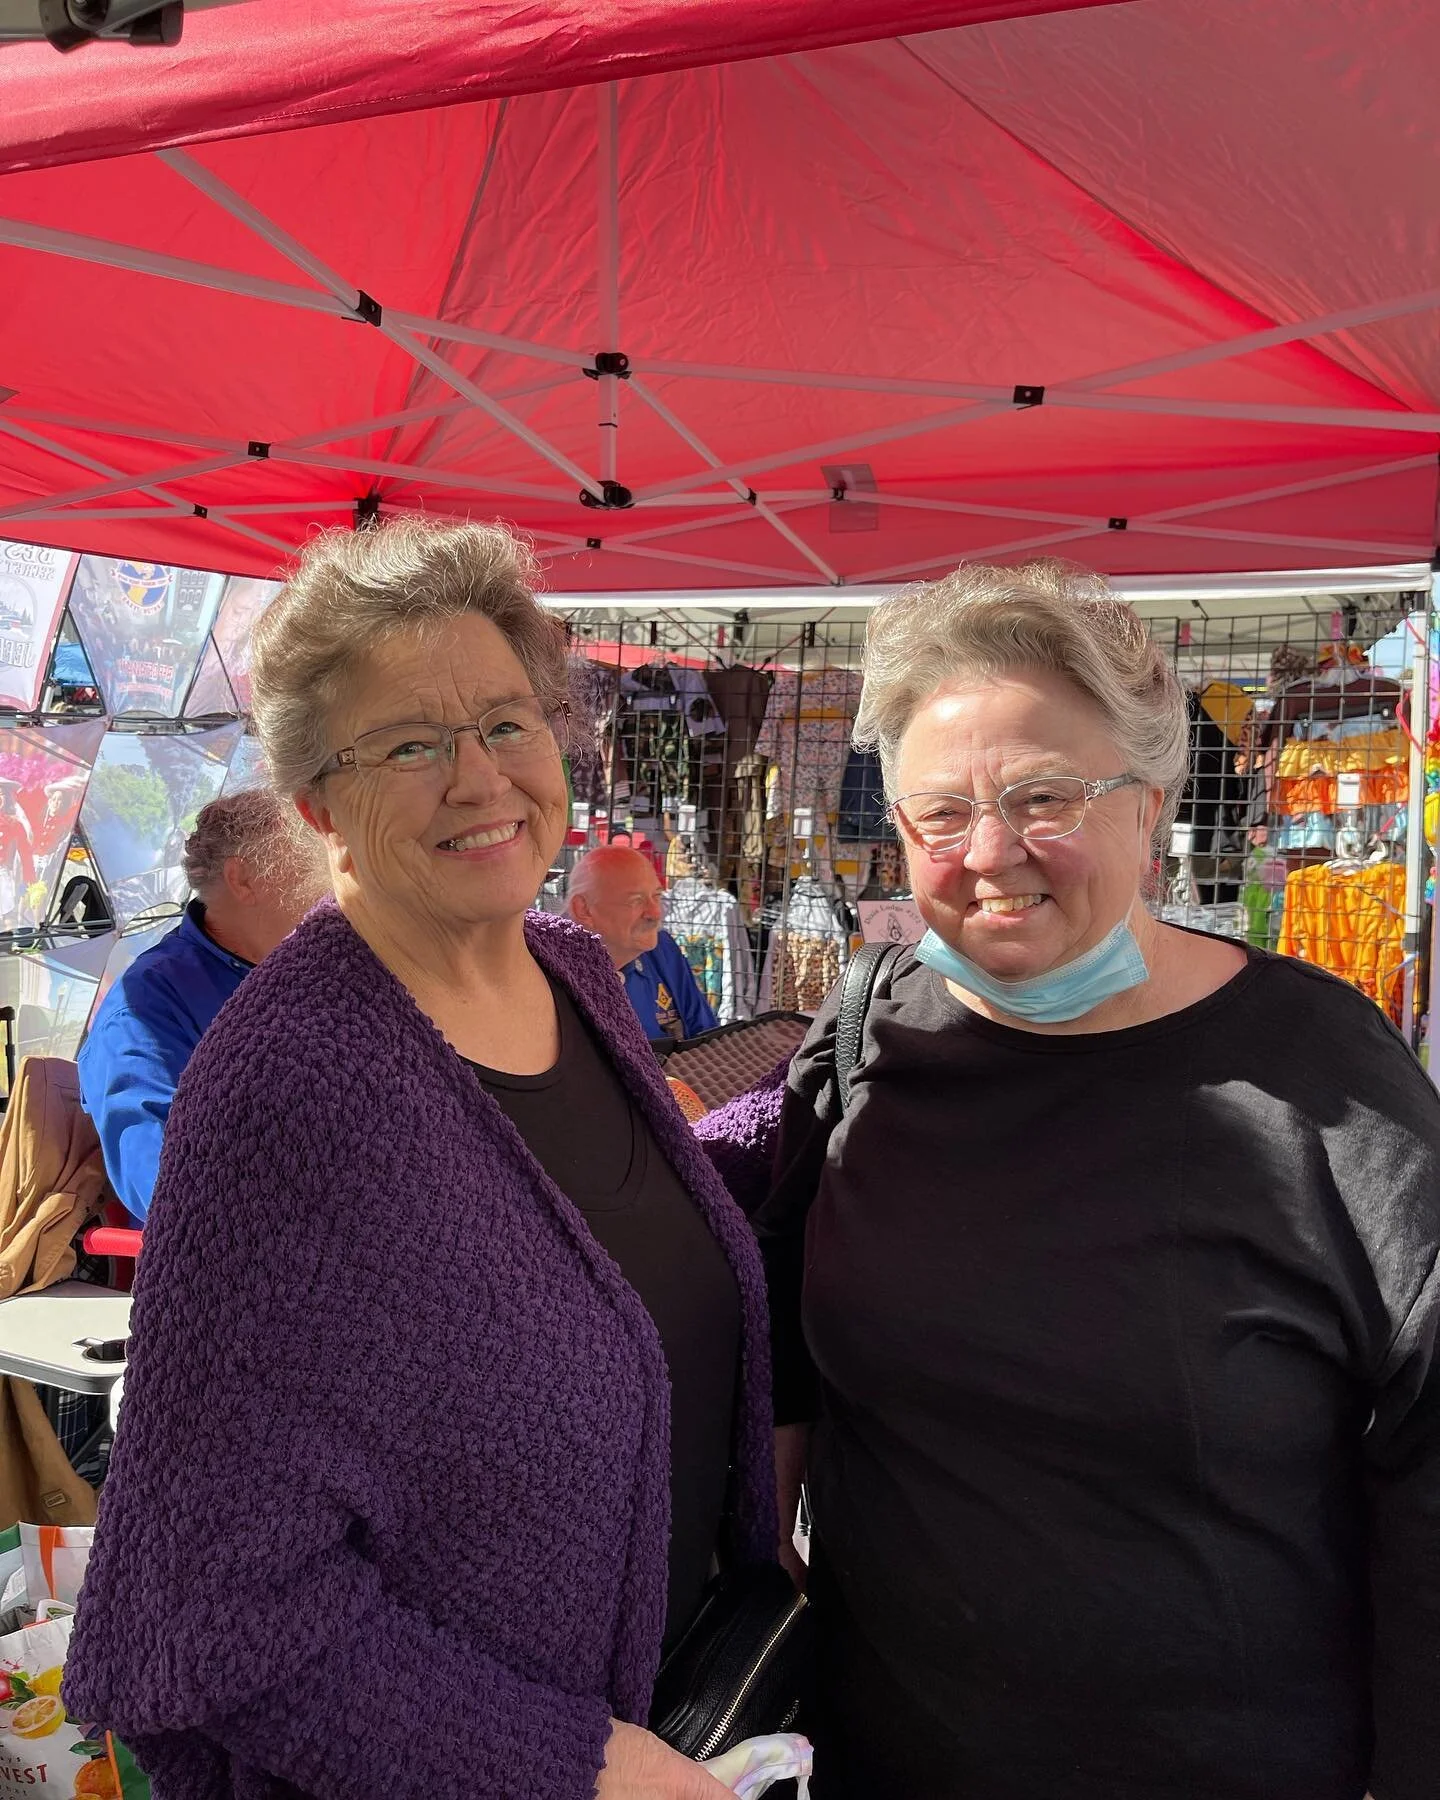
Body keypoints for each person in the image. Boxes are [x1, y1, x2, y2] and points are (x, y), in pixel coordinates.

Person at [65, 520, 777, 1800]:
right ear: (316, 803)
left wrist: (840, 1099)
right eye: (409, 744)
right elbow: (209, 1619)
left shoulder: (572, 971)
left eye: (507, 722)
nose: (479, 777)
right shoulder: (289, 1086)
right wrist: (577, 1768)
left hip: (693, 1710)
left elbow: (612, 1230)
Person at [731, 559, 1438, 1800]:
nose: (990, 853)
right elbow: (784, 1329)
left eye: (1044, 795)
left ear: (1152, 798)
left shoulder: (1332, 1082)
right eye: (938, 813)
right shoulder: (867, 1036)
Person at [77, 787, 325, 1225]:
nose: (337, 880)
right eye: (313, 863)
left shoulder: (326, 970)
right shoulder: (147, 1009)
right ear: (244, 880)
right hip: (246, 1260)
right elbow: (162, 1182)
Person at [568, 845, 719, 1040]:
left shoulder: (663, 950)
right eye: (636, 900)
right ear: (584, 910)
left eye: (656, 896)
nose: (654, 913)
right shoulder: (553, 978)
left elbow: (705, 1039)